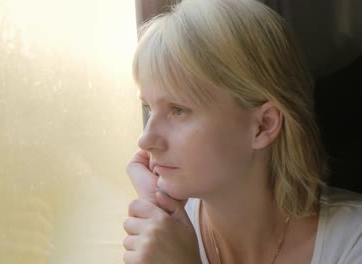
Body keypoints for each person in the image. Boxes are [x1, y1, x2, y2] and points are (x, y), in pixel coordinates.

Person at [122, 0, 362, 263]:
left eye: (178, 110)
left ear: (263, 125)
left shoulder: (352, 242)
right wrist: (156, 205)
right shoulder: (159, 235)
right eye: (148, 107)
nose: (145, 139)